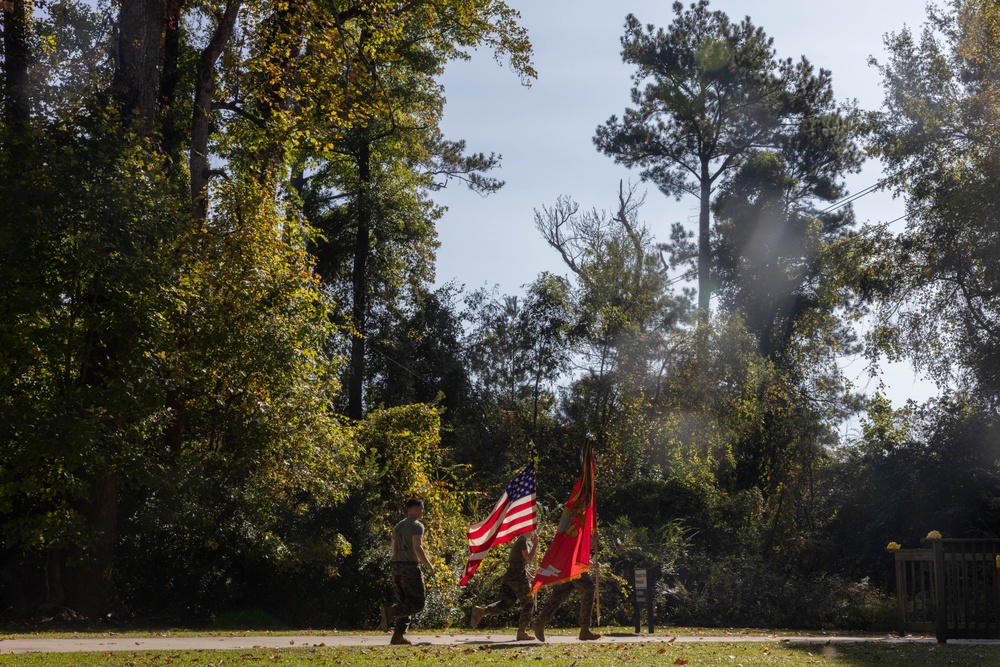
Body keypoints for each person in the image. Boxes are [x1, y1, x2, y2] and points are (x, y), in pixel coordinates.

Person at [380, 498, 434, 645]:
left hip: (396, 566)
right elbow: (417, 547)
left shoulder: (398, 526)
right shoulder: (417, 525)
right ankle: (390, 612)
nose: (423, 511)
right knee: (417, 604)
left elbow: (393, 546)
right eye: (422, 509)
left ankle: (398, 636)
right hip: (409, 567)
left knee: (405, 602)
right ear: (415, 510)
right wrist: (429, 565)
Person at [469, 530, 538, 640]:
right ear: (527, 529)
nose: (534, 532)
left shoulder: (521, 541)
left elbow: (520, 564)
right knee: (528, 603)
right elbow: (528, 558)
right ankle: (521, 632)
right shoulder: (522, 541)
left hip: (511, 576)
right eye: (532, 529)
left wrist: (531, 578)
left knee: (506, 604)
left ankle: (481, 611)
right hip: (517, 578)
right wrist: (535, 544)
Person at [532, 571, 601, 642]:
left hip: (564, 566)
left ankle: (540, 622)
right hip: (575, 566)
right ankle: (584, 629)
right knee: (588, 590)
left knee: (559, 594)